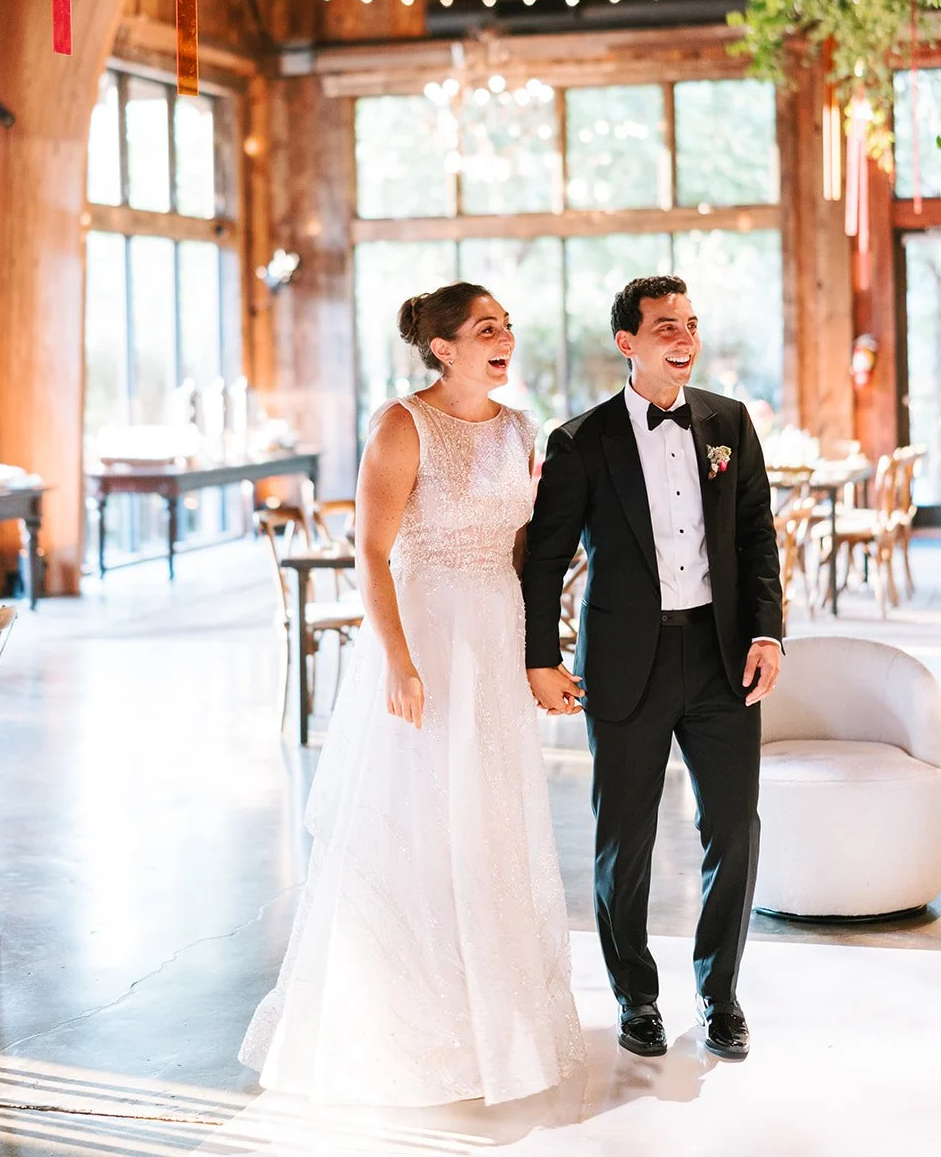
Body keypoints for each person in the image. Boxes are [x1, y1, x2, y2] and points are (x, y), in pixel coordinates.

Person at [240, 282, 584, 1106]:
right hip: (427, 635)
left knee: (491, 818)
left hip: (495, 640)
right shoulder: (403, 424)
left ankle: (496, 1018)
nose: (506, 338)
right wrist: (395, 660)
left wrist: (545, 644)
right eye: (486, 328)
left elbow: (529, 549)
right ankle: (404, 1019)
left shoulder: (518, 429)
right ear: (443, 347)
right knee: (419, 819)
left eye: (508, 325)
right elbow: (369, 549)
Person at [522, 274, 782, 1063]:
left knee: (732, 829)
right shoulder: (581, 441)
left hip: (719, 655)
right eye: (665, 325)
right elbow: (545, 558)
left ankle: (720, 993)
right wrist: (540, 656)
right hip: (624, 661)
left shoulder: (727, 422)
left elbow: (755, 538)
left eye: (692, 324)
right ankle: (636, 999)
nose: (684, 338)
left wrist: (767, 635)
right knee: (622, 839)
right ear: (627, 342)